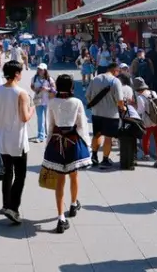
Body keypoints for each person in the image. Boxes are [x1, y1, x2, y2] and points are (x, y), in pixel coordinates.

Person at [42, 74, 91, 233]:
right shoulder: (77, 102)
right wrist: (87, 145)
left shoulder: (52, 102)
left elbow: (50, 125)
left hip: (56, 142)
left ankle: (60, 217)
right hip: (73, 142)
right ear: (71, 87)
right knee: (74, 175)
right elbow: (82, 125)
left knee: (59, 180)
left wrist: (48, 143)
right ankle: (73, 204)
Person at [0, 60, 33, 225]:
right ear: (17, 74)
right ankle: (13, 208)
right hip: (18, 139)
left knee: (7, 172)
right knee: (20, 174)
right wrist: (32, 109)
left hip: (2, 138)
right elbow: (24, 117)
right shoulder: (21, 93)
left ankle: (5, 204)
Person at [85, 62, 123, 169]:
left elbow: (87, 96)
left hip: (96, 113)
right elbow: (120, 100)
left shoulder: (95, 79)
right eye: (118, 71)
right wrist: (122, 107)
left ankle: (94, 156)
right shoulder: (115, 81)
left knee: (96, 135)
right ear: (115, 70)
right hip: (111, 114)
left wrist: (95, 106)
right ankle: (105, 159)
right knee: (108, 137)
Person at [134, 77, 157, 168]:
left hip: (148, 122)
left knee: (145, 138)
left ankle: (146, 155)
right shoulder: (153, 92)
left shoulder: (140, 97)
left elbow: (140, 111)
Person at [30, 63, 56, 143]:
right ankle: (41, 136)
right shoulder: (34, 78)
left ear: (45, 70)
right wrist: (36, 90)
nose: (39, 70)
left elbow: (54, 90)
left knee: (47, 118)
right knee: (40, 119)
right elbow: (32, 86)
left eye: (41, 69)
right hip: (38, 101)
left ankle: (47, 134)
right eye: (38, 69)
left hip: (48, 101)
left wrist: (47, 89)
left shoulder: (49, 79)